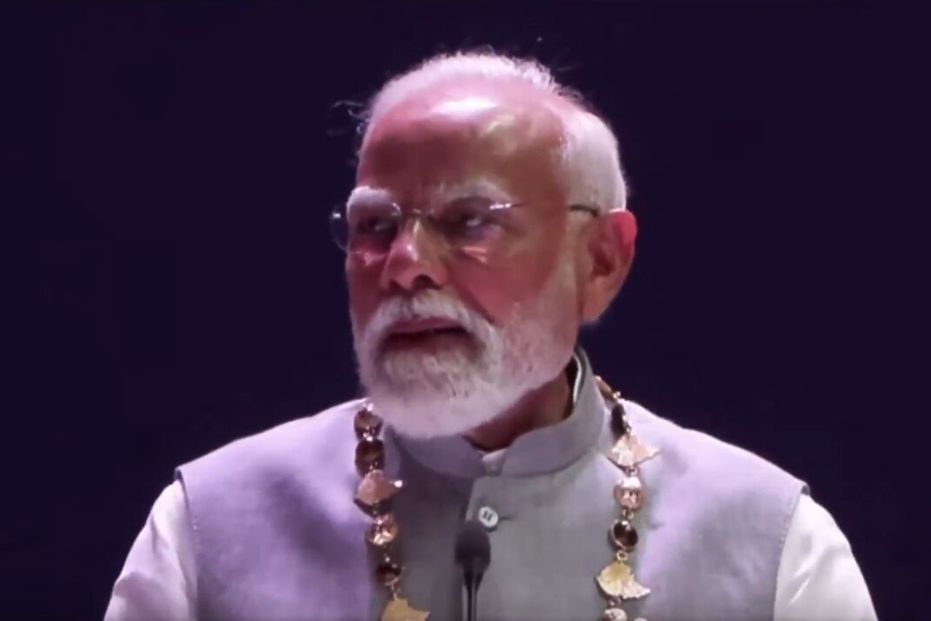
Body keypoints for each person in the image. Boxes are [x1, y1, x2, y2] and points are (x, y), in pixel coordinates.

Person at [105, 51, 876, 621]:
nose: (403, 265)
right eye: (374, 225)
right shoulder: (206, 527)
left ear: (600, 260)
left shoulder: (771, 542)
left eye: (469, 220)